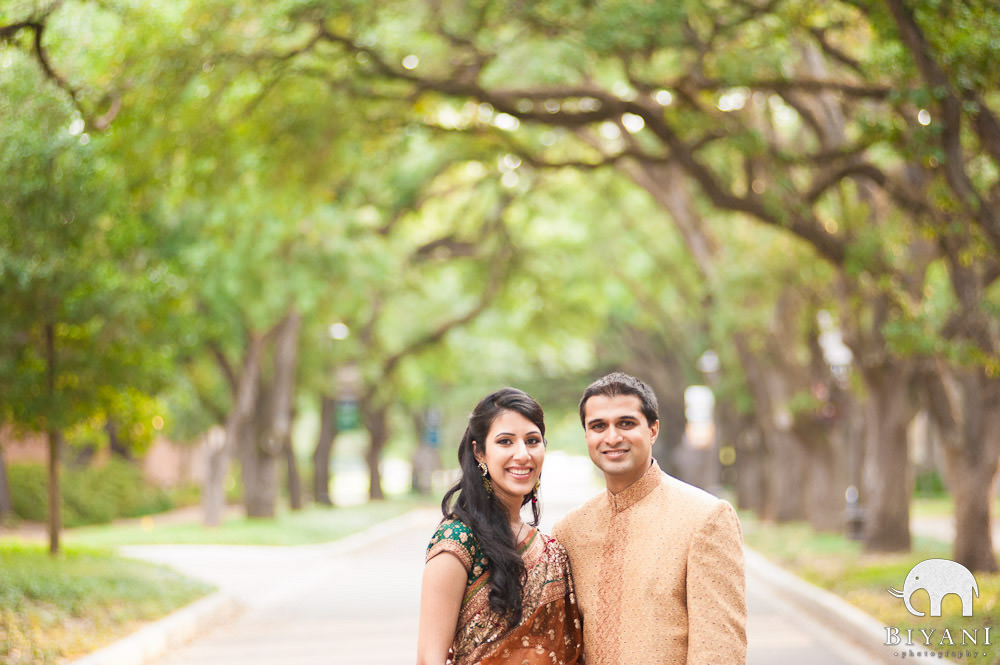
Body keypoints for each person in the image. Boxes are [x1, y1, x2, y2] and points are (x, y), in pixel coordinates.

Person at [553, 372, 746, 665]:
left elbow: (719, 651)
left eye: (626, 423)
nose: (612, 437)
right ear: (587, 436)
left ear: (653, 430)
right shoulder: (570, 531)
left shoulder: (704, 518)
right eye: (598, 426)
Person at [416, 388, 584, 665]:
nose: (522, 454)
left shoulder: (552, 552)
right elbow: (429, 659)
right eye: (505, 442)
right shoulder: (458, 540)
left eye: (533, 441)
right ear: (480, 452)